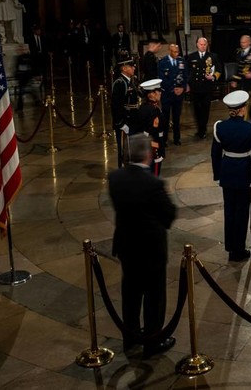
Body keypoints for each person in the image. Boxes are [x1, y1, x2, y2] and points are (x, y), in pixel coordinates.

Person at [108, 133, 176, 358]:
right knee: (154, 296)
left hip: (127, 245)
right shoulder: (153, 183)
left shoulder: (115, 178)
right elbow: (169, 214)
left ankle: (131, 337)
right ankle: (153, 342)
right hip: (151, 248)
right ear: (148, 154)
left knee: (131, 293)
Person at [211, 91, 251, 262]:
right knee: (241, 213)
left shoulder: (220, 127)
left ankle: (230, 247)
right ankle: (238, 250)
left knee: (229, 211)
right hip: (243, 174)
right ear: (242, 109)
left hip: (227, 172)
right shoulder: (250, 129)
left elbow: (215, 154)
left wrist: (217, 175)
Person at [187, 37, 222, 139]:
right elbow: (187, 72)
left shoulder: (213, 56)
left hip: (207, 88)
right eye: (201, 44)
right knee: (196, 110)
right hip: (195, 88)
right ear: (197, 44)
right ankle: (199, 129)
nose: (203, 46)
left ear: (207, 45)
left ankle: (203, 129)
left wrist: (214, 76)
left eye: (204, 44)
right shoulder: (190, 57)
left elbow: (219, 70)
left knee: (205, 110)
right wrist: (187, 84)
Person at [110, 54, 141, 168]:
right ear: (123, 68)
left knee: (132, 149)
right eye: (131, 66)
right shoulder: (120, 83)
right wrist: (121, 124)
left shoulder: (131, 81)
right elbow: (116, 106)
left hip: (133, 120)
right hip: (125, 121)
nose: (134, 68)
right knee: (125, 150)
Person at [230, 35, 251, 127]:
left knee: (249, 102)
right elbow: (239, 69)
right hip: (242, 82)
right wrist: (234, 80)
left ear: (249, 42)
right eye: (241, 42)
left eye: (244, 42)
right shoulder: (239, 53)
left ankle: (248, 121)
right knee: (247, 103)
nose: (242, 44)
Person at [158, 43, 187, 146]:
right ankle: (164, 139)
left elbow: (185, 75)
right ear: (169, 51)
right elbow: (162, 78)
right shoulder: (162, 62)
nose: (176, 53)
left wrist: (182, 87)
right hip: (167, 94)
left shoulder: (181, 61)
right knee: (165, 118)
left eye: (177, 51)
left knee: (176, 117)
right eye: (174, 51)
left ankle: (177, 138)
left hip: (179, 95)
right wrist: (173, 88)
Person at [137, 78, 167, 176]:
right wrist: (156, 150)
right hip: (153, 145)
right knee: (154, 173)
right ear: (152, 94)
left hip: (145, 144)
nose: (160, 93)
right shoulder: (154, 110)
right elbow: (152, 132)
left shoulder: (144, 106)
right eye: (158, 92)